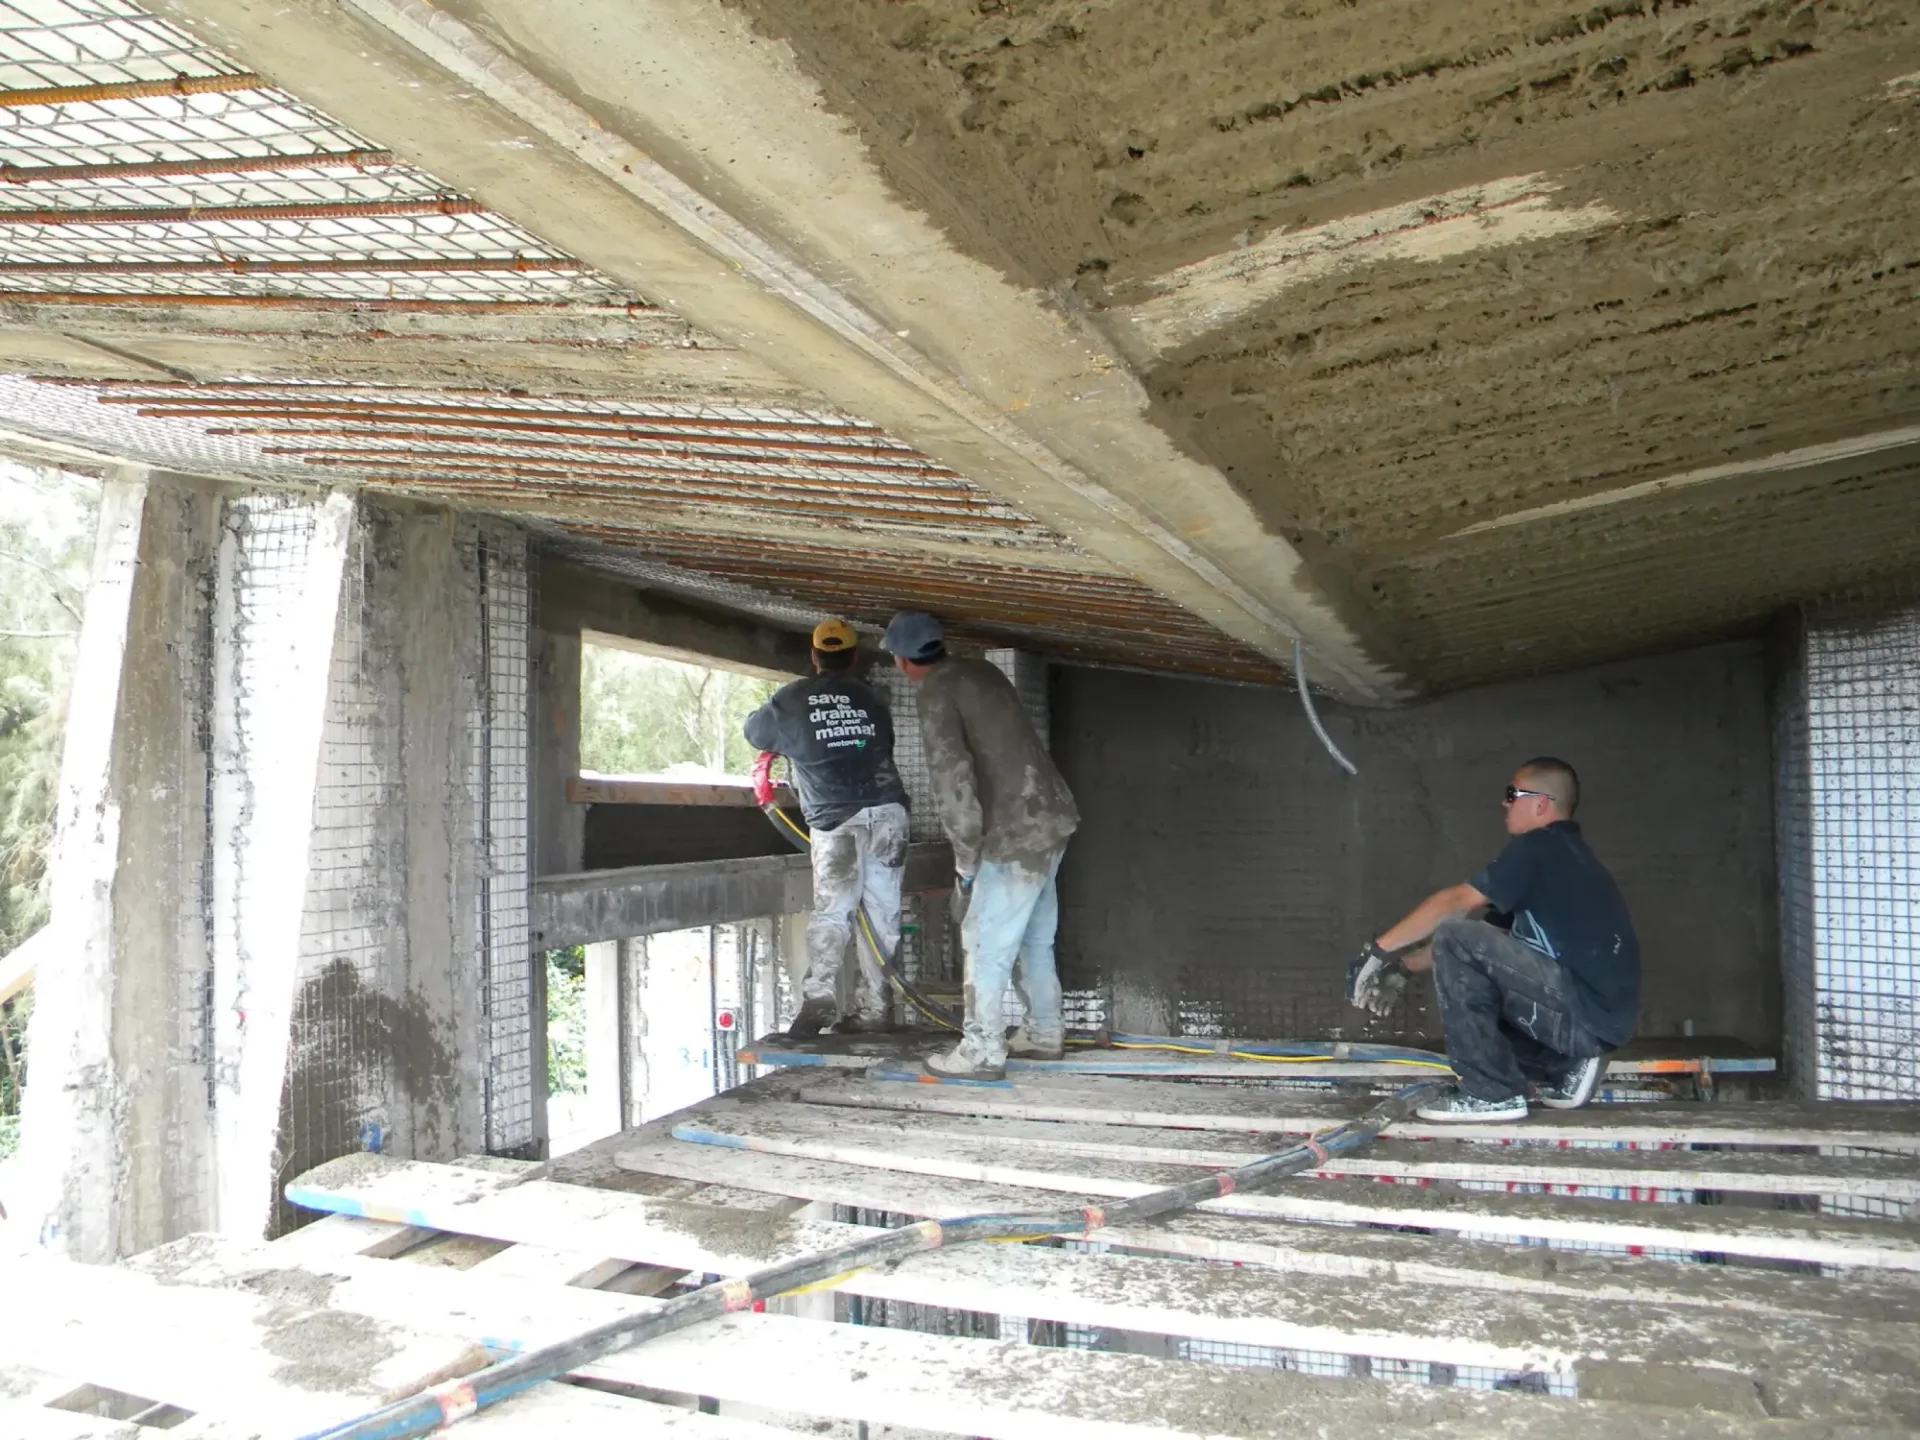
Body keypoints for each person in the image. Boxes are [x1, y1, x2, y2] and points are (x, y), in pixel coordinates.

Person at [1347, 757, 1639, 1121]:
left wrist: (1377, 953)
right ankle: (1563, 1067)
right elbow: (1490, 939)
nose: (1505, 803)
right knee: (1472, 958)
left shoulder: (1539, 847)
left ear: (1540, 804)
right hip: (1591, 1020)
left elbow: (1456, 905)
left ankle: (1490, 1094)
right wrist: (1404, 968)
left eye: (1512, 794)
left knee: (1455, 933)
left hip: (1581, 1016)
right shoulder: (1564, 857)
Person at [882, 611, 1080, 1080]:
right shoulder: (982, 670)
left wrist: (966, 862)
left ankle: (981, 1051)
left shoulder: (934, 692)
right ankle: (1044, 1032)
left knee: (984, 941)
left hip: (1012, 833)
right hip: (1052, 816)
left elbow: (954, 785)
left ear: (901, 660)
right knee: (1034, 938)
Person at [744, 619, 910, 1037]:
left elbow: (754, 732)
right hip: (889, 814)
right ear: (853, 657)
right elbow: (882, 743)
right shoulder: (873, 698)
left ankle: (818, 1001)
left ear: (814, 656)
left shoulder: (792, 700)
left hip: (836, 821)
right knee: (883, 915)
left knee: (834, 914)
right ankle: (876, 1008)